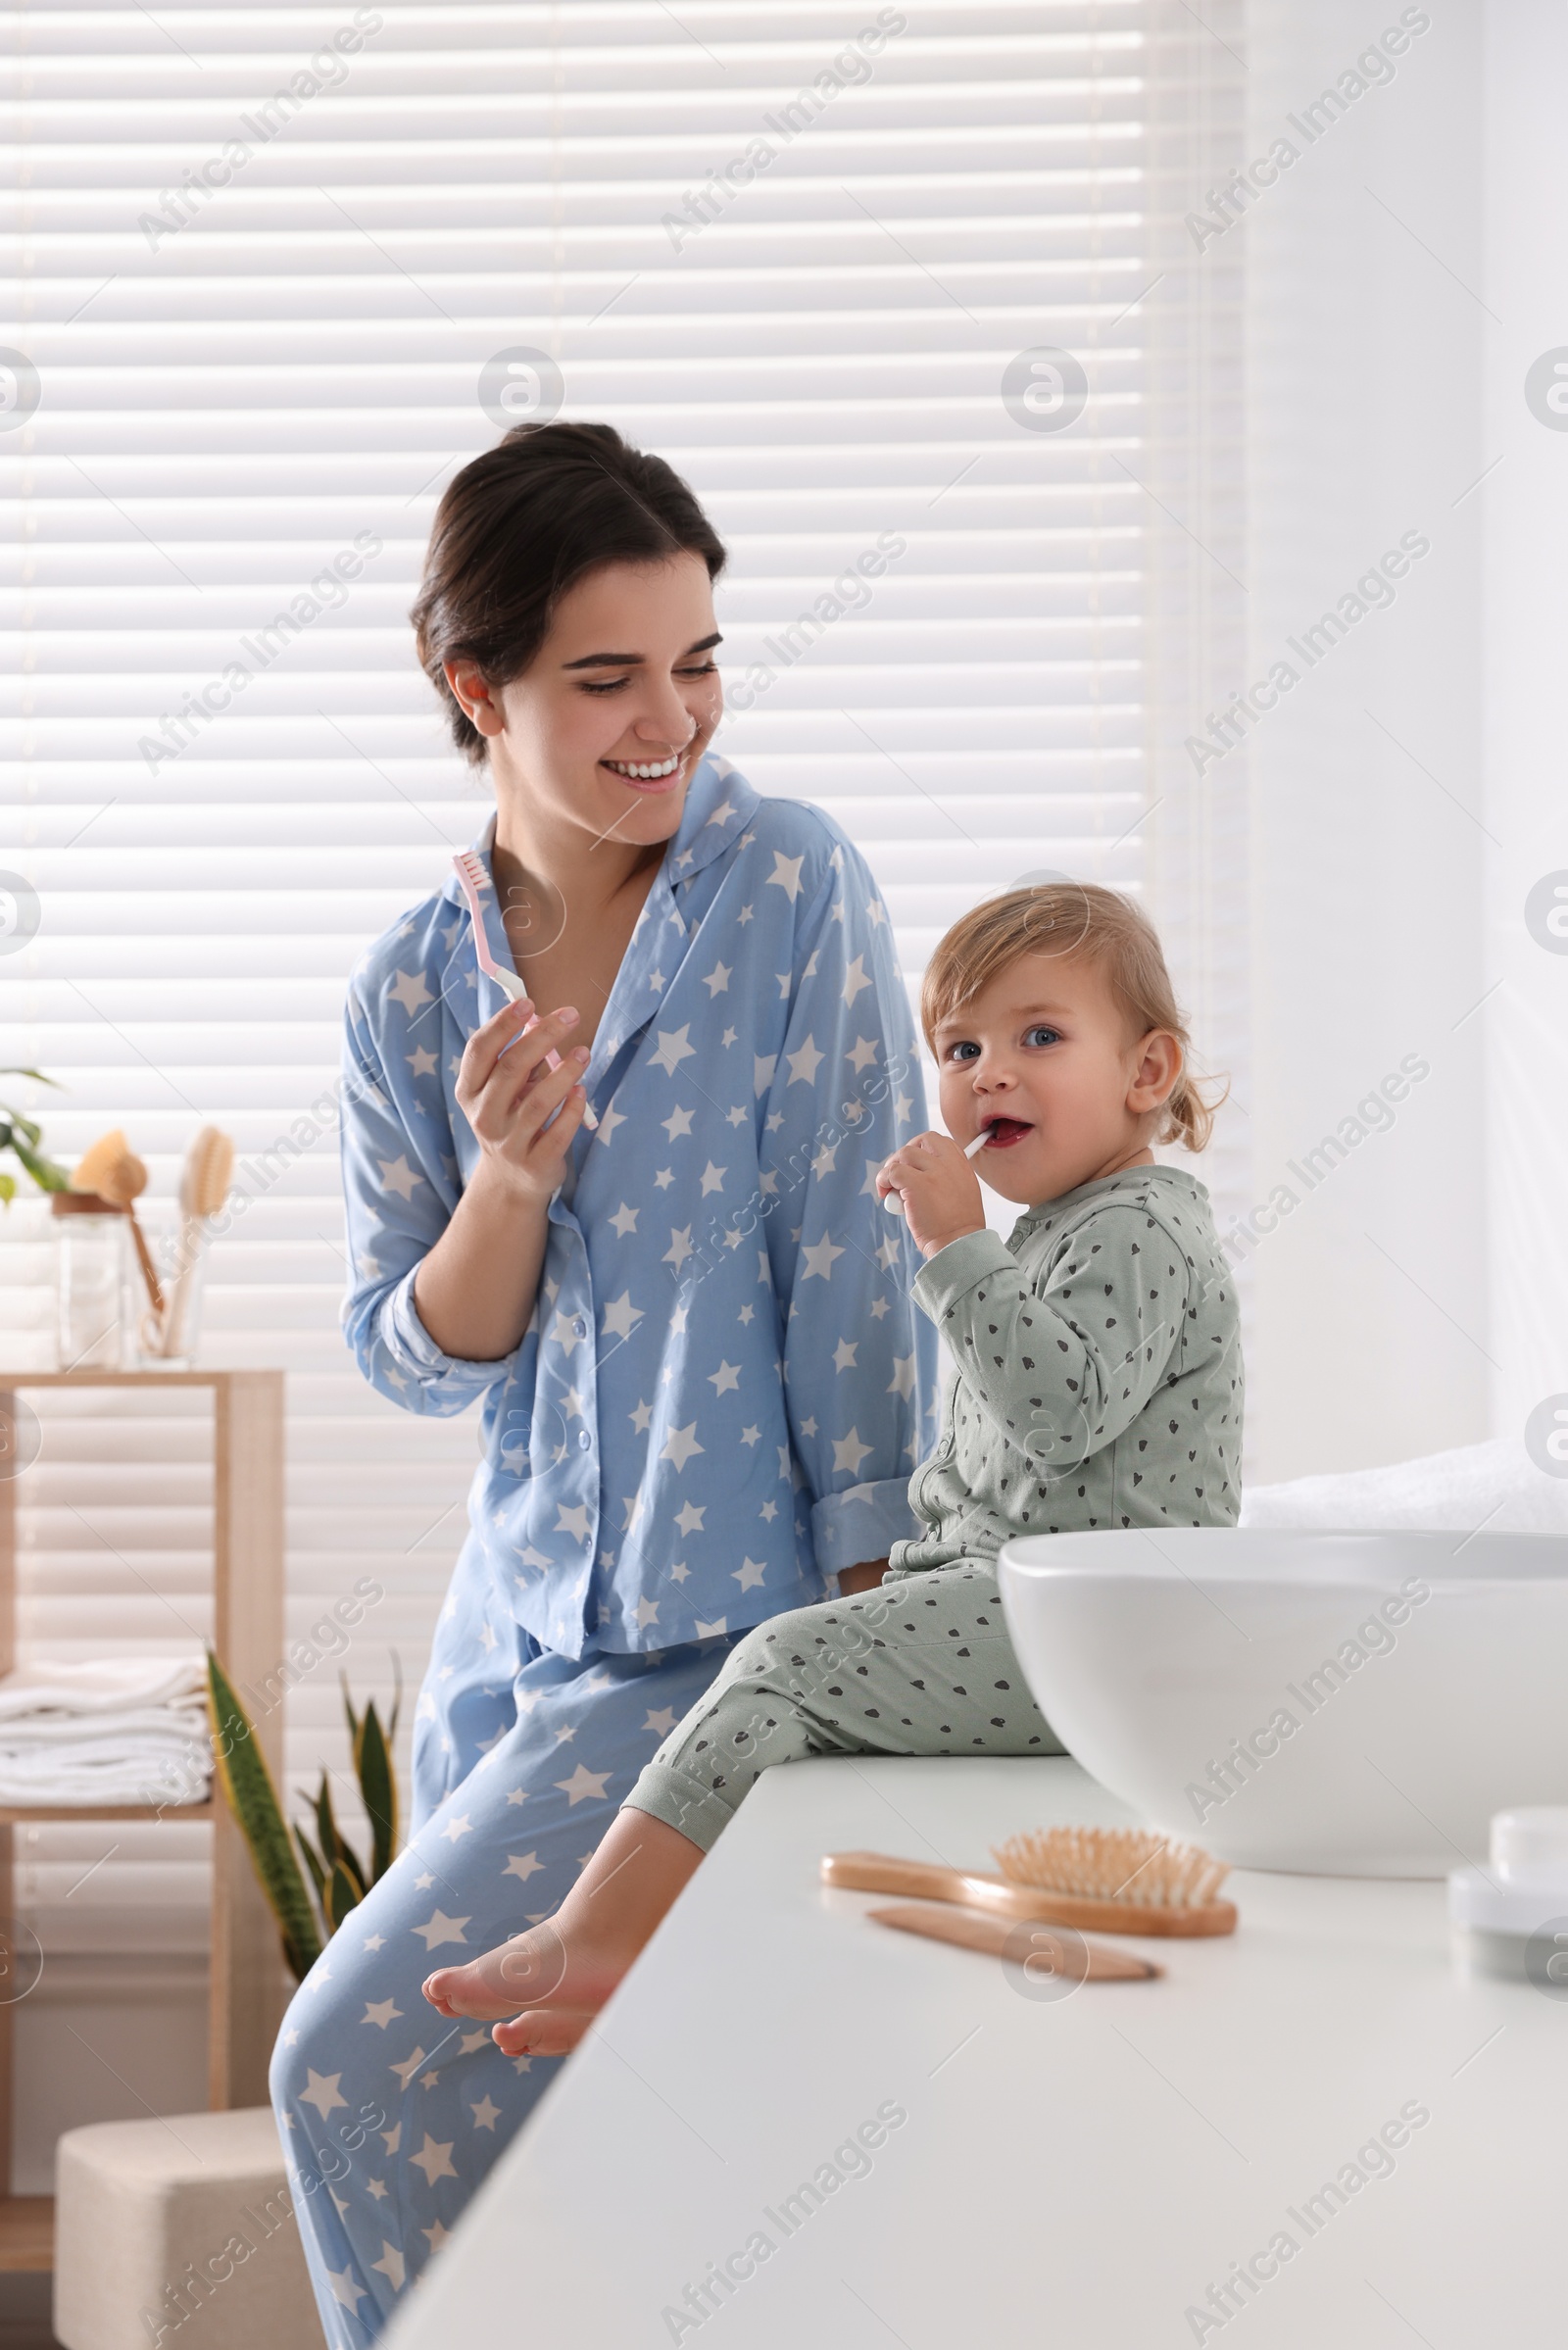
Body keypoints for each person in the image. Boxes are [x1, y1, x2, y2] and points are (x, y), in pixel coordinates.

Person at [270, 419, 934, 2341]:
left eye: (698, 660)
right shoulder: (411, 988)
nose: (672, 717)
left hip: (725, 1646)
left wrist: (863, 1646)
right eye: (608, 675)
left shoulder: (787, 886)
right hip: (512, 1653)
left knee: (351, 2060)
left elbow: (855, 1269)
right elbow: (413, 1350)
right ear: (471, 684)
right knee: (568, 2132)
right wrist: (506, 1181)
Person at [422, 882, 1244, 2047]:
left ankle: (600, 1938)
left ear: (1148, 1072)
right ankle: (651, 1957)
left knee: (781, 1663)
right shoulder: (1066, 1229)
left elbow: (1061, 1415)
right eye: (959, 1047)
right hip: (1055, 1605)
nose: (988, 1072)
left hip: (1104, 1625)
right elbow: (1006, 1463)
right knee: (800, 1685)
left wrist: (955, 1245)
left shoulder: (1138, 1228)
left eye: (1038, 1036)